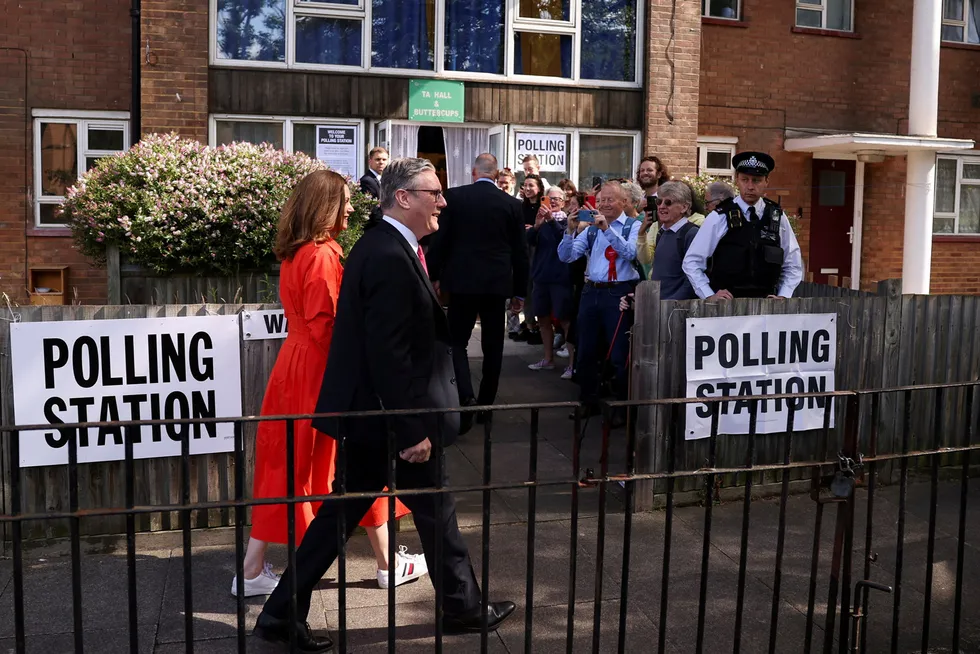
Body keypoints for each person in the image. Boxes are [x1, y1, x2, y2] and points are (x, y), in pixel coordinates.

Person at [253, 158, 516, 651]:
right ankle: (462, 607)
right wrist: (412, 426)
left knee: (369, 510)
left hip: (374, 414)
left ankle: (281, 612)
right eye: (433, 193)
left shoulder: (389, 245)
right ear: (403, 198)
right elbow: (388, 352)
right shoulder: (388, 254)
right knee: (428, 509)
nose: (442, 201)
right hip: (388, 418)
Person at [237, 170, 425, 601]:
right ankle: (386, 565)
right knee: (358, 458)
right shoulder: (321, 255)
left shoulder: (295, 251)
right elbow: (329, 328)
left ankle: (252, 569)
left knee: (290, 463)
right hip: (321, 368)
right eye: (344, 200)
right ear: (325, 206)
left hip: (294, 365)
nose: (352, 207)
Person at [426, 153, 529, 435]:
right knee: (493, 345)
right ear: (496, 175)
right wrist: (520, 291)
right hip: (496, 286)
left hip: (461, 283)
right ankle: (485, 405)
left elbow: (440, 240)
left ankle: (465, 395)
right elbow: (521, 253)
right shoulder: (511, 204)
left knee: (456, 342)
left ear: (474, 172)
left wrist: (433, 275)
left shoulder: (455, 198)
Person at [558, 181, 640, 422]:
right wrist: (570, 231)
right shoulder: (591, 228)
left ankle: (621, 406)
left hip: (619, 292)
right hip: (591, 291)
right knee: (586, 349)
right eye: (601, 200)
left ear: (624, 202)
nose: (603, 204)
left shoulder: (633, 226)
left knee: (618, 352)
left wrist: (606, 229)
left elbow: (630, 253)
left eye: (609, 200)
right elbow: (567, 256)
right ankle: (588, 400)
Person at [682, 152, 803, 300]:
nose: (750, 186)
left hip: (767, 306)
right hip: (726, 308)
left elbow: (793, 264)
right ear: (737, 180)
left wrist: (784, 295)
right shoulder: (720, 216)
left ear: (767, 181)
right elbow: (692, 261)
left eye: (756, 180)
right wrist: (708, 294)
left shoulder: (777, 217)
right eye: (745, 179)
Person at [526, 186, 574, 378]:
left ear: (563, 202)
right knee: (543, 319)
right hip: (541, 278)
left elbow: (563, 239)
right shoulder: (543, 221)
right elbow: (529, 241)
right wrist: (537, 225)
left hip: (560, 278)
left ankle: (572, 364)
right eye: (549, 198)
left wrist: (551, 220)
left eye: (556, 199)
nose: (552, 202)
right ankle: (548, 359)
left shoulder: (567, 221)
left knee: (565, 321)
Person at [636, 181, 707, 276]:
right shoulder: (661, 232)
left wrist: (678, 291)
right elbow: (648, 261)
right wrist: (641, 233)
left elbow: (694, 273)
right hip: (657, 288)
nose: (661, 207)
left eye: (668, 203)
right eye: (659, 202)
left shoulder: (692, 232)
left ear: (684, 207)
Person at [512, 174, 545, 345]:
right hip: (524, 249)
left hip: (539, 250)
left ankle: (540, 326)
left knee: (536, 287)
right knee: (526, 287)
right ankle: (530, 325)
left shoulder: (543, 206)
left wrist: (535, 228)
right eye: (525, 185)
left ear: (539, 188)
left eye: (531, 185)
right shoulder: (519, 206)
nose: (528, 189)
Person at [360, 147, 389, 223]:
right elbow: (372, 210)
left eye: (384, 159)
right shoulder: (367, 181)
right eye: (378, 159)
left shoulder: (384, 179)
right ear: (370, 161)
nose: (381, 162)